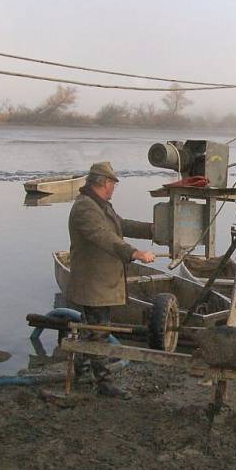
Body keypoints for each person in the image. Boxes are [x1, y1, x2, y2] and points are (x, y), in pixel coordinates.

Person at [66, 162, 156, 398]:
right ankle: (104, 384)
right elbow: (105, 237)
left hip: (101, 282)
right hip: (93, 284)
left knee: (89, 329)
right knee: (99, 332)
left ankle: (83, 373)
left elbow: (121, 225)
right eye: (113, 183)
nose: (114, 188)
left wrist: (154, 230)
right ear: (104, 182)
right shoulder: (85, 209)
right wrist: (134, 253)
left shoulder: (100, 206)